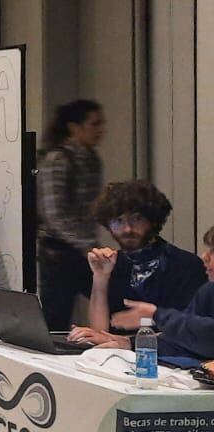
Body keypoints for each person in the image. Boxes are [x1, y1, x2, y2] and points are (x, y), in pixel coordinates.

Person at [73, 225, 214, 364]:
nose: (205, 257)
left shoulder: (184, 266)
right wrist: (128, 343)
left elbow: (208, 336)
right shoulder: (208, 291)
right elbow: (185, 341)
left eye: (213, 251)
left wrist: (157, 315)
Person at [85, 180, 206, 335]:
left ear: (153, 220)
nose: (127, 229)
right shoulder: (111, 263)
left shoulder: (185, 265)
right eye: (118, 220)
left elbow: (192, 334)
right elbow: (99, 333)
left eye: (137, 219)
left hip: (165, 356)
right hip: (115, 355)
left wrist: (130, 342)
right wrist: (100, 278)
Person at [36, 99, 106, 329]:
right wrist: (85, 243)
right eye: (94, 124)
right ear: (74, 127)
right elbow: (53, 214)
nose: (100, 130)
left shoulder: (92, 159)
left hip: (85, 249)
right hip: (59, 253)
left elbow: (93, 208)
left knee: (111, 301)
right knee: (56, 319)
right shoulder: (57, 159)